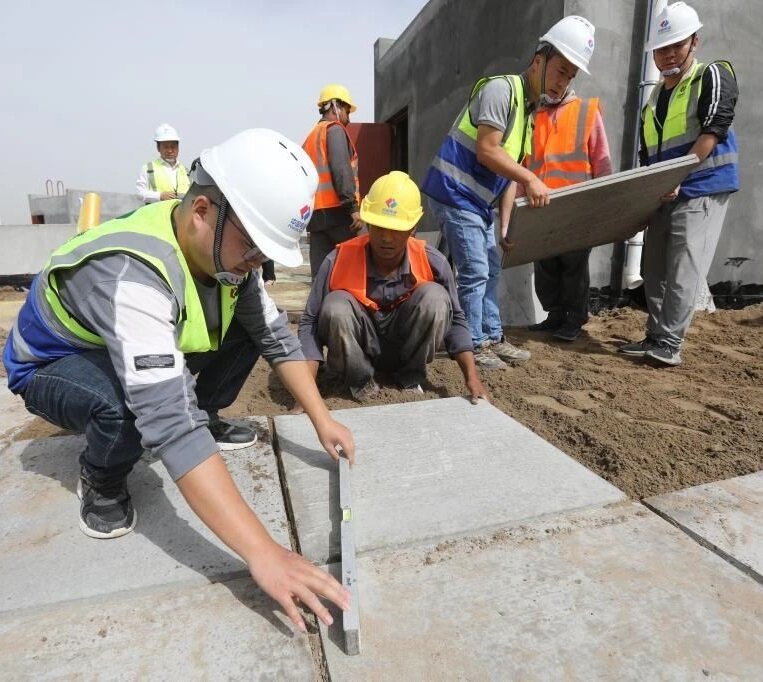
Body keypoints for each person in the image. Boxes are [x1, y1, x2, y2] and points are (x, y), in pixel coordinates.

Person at [3, 128, 355, 633]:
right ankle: (100, 479)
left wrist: (323, 420)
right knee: (127, 409)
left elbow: (276, 336)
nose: (256, 263)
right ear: (203, 210)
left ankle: (209, 415)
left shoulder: (227, 257)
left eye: (264, 254)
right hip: (52, 363)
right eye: (253, 247)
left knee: (246, 329)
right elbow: (170, 423)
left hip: (117, 340)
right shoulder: (135, 275)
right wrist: (264, 552)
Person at [422, 16, 597, 368]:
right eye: (560, 71)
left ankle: (491, 336)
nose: (563, 82)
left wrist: (505, 224)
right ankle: (471, 344)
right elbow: (488, 150)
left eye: (570, 77)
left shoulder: (529, 113)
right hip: (454, 192)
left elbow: (508, 174)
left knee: (491, 267)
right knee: (474, 270)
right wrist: (531, 180)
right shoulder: (502, 90)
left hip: (479, 203)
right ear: (538, 61)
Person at [298, 171, 489, 404]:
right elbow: (309, 322)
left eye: (396, 229)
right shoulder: (337, 260)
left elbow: (456, 319)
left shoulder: (433, 262)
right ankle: (360, 383)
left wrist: (472, 377)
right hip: (355, 352)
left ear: (413, 228)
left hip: (406, 350)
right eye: (379, 227)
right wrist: (305, 390)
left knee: (436, 299)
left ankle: (409, 379)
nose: (386, 238)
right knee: (335, 306)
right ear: (368, 223)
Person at [619, 2, 739, 366]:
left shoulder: (711, 76)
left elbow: (713, 131)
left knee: (684, 267)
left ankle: (670, 342)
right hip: (666, 193)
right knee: (653, 267)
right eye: (662, 48)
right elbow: (648, 159)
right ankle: (656, 335)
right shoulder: (653, 101)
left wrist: (677, 177)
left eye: (677, 45)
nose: (669, 53)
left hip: (703, 187)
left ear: (694, 42)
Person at [505, 92, 612, 342]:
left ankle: (574, 318)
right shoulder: (534, 116)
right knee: (545, 265)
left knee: (574, 265)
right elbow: (524, 163)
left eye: (566, 76)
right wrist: (517, 209)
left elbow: (601, 161)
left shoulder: (585, 111)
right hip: (540, 207)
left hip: (576, 207)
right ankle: (555, 314)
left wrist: (603, 203)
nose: (558, 83)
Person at [302, 84, 363, 278]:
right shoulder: (334, 130)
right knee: (360, 266)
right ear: (336, 106)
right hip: (339, 213)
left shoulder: (310, 137)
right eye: (347, 111)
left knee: (321, 277)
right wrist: (352, 208)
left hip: (316, 217)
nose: (348, 117)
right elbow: (341, 170)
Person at [136, 123, 191, 204]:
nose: (170, 150)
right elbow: (139, 194)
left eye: (173, 147)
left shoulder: (186, 172)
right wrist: (159, 196)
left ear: (178, 147)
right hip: (156, 212)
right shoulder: (148, 169)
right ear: (158, 148)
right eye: (166, 147)